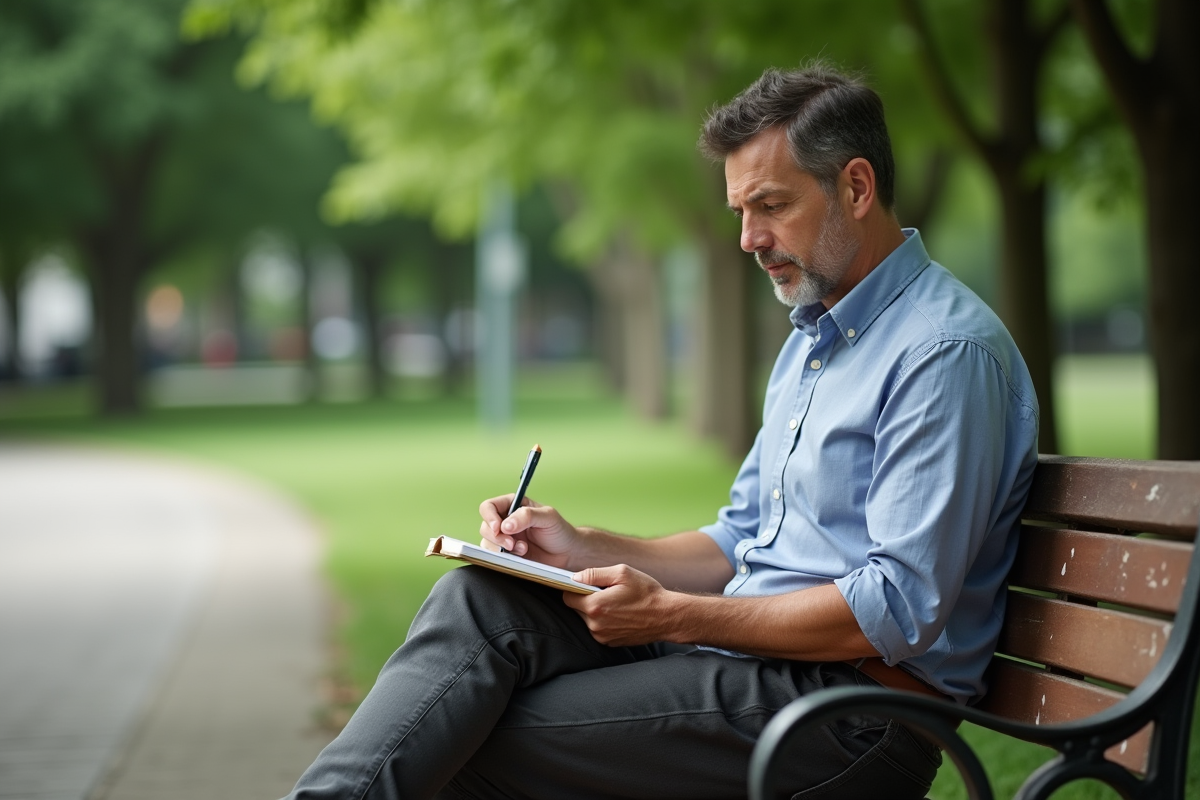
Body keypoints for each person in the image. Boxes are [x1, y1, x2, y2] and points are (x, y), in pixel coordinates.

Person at [284, 64, 1039, 800]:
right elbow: (739, 539)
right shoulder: (815, 339)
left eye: (770, 206)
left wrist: (675, 615)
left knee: (470, 734)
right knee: (480, 602)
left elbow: (897, 608)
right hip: (757, 665)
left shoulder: (942, 353)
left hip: (853, 714)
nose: (748, 238)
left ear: (857, 186)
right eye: (740, 211)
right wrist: (580, 547)